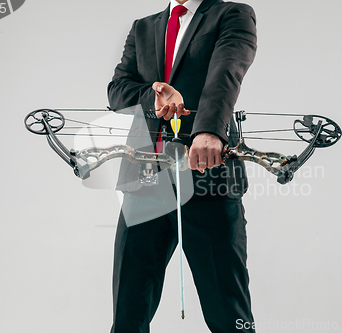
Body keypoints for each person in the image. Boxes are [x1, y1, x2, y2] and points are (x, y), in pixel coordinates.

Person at [107, 0, 257, 331]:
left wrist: (208, 131)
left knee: (229, 314)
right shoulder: (143, 27)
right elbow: (118, 90)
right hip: (144, 180)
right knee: (128, 314)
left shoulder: (231, 14)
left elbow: (226, 71)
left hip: (208, 175)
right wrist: (153, 94)